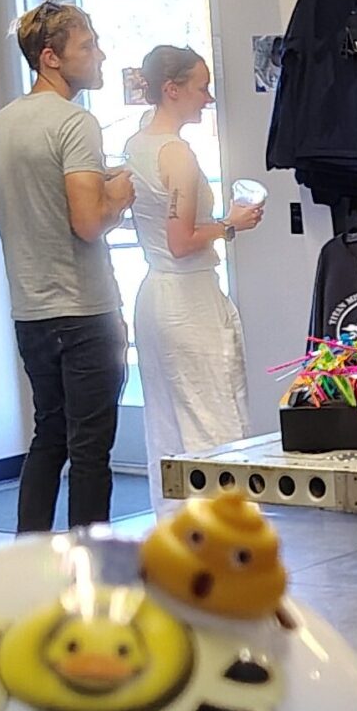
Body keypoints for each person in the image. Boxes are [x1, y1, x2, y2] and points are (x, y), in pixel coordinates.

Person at [0, 0, 132, 532]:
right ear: (51, 57)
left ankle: (29, 559)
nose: (100, 55)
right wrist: (119, 197)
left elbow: (39, 199)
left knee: (49, 435)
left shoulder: (1, 126)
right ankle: (88, 564)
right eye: (87, 47)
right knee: (91, 451)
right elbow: (88, 221)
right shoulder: (75, 123)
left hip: (31, 310)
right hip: (84, 310)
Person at [126, 44, 262, 511]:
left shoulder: (137, 143)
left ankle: (179, 527)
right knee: (212, 417)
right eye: (201, 88)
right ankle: (223, 530)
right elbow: (181, 240)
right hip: (187, 299)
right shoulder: (176, 154)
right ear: (172, 89)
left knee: (168, 425)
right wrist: (231, 224)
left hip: (159, 296)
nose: (208, 98)